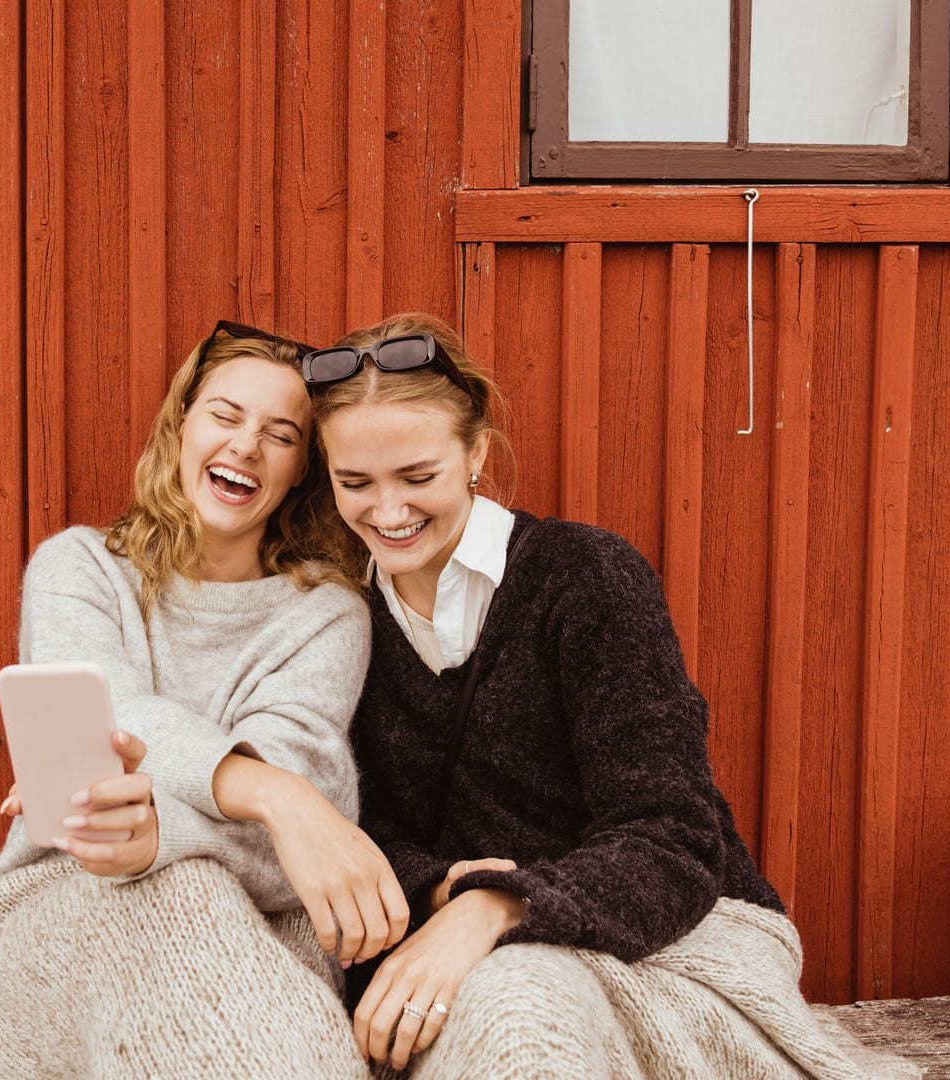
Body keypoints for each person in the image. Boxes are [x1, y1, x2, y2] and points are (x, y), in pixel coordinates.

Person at [306, 313, 917, 1079]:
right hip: (463, 944)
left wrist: (497, 904)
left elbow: (673, 836)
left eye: (417, 477)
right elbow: (364, 830)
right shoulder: (340, 617)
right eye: (355, 483)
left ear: (476, 454)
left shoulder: (585, 577)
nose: (388, 512)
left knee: (516, 1014)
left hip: (673, 931)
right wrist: (442, 892)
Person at [0, 322, 403, 1079]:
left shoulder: (326, 614)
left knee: (187, 886)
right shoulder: (81, 569)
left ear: (301, 470)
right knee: (178, 892)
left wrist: (160, 836)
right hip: (67, 899)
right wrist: (275, 795)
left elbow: (292, 861)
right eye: (225, 415)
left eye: (280, 435)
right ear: (181, 425)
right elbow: (113, 714)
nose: (246, 445)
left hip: (263, 938)